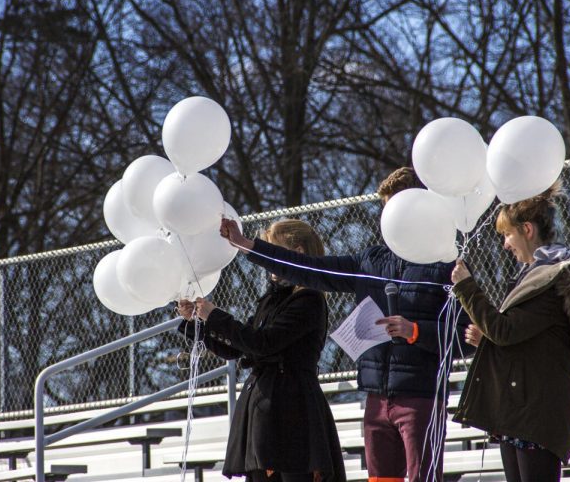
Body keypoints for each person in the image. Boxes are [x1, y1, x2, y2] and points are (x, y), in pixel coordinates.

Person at [220, 167, 473, 482]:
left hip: (421, 394)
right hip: (376, 396)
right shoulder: (370, 261)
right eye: (385, 211)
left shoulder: (445, 265)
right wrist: (247, 245)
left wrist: (415, 331)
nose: (389, 220)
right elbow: (309, 269)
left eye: (396, 209)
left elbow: (465, 335)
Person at [448, 184, 570, 482]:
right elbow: (525, 339)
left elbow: (505, 331)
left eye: (508, 234)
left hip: (537, 414)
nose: (505, 244)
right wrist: (488, 341)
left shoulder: (550, 279)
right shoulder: (536, 275)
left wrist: (467, 287)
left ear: (527, 229)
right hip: (521, 413)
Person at [177, 219, 346, 482]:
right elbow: (239, 348)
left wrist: (216, 315)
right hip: (262, 409)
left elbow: (263, 342)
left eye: (271, 249)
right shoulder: (271, 298)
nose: (265, 259)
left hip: (294, 409)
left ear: (297, 252)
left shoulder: (308, 299)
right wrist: (198, 322)